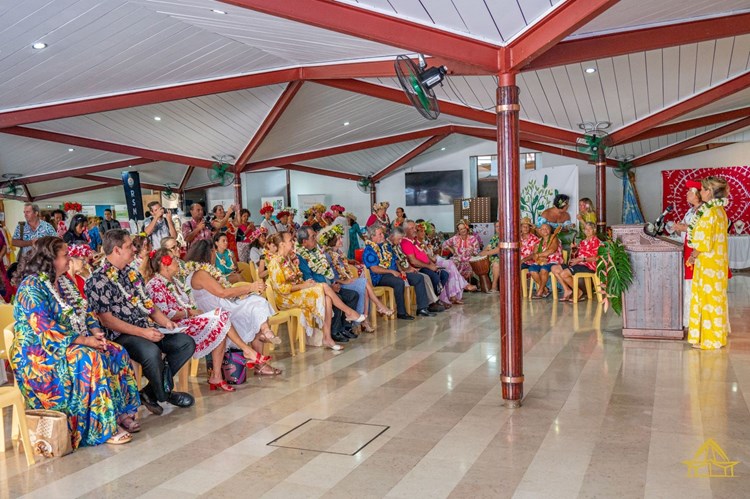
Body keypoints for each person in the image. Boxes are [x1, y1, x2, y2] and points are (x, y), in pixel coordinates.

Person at [11, 237, 139, 447]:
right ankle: (104, 428)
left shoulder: (62, 280)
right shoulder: (31, 286)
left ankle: (120, 413)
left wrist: (96, 333)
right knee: (90, 358)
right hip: (40, 355)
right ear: (49, 259)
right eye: (65, 255)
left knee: (115, 351)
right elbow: (45, 328)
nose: (70, 259)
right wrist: (86, 341)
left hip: (70, 343)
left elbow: (84, 310)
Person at [86, 229, 196, 415]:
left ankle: (149, 393)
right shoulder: (97, 280)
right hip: (121, 335)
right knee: (151, 352)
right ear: (116, 250)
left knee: (185, 343)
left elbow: (149, 306)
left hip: (146, 328)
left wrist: (166, 322)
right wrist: (143, 333)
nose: (134, 250)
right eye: (129, 246)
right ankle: (165, 394)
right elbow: (107, 321)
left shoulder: (132, 274)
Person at [144, 249, 274, 387]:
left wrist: (192, 312)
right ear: (164, 264)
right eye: (174, 259)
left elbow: (187, 303)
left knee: (221, 320)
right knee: (220, 317)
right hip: (174, 327)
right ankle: (246, 351)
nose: (178, 261)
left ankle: (217, 376)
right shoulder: (155, 284)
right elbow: (163, 314)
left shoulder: (176, 282)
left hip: (188, 321)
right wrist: (189, 313)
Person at [185, 240, 282, 374]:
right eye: (213, 252)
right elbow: (222, 293)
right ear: (209, 253)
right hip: (216, 312)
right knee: (255, 304)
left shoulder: (200, 272)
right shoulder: (200, 274)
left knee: (254, 306)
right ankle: (262, 343)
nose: (215, 255)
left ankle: (264, 334)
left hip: (221, 307)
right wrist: (250, 287)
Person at [267, 232, 365, 350]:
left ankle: (327, 338)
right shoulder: (275, 262)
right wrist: (304, 286)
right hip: (285, 298)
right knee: (323, 286)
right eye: (290, 241)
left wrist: (305, 284)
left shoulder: (291, 258)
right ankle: (350, 312)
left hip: (297, 293)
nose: (293, 242)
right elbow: (281, 289)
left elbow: (297, 279)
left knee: (327, 298)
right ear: (282, 244)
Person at [319, 225, 393, 332]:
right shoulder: (327, 255)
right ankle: (377, 307)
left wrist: (350, 263)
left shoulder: (339, 253)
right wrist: (345, 280)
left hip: (346, 280)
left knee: (364, 286)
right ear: (332, 241)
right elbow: (331, 275)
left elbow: (343, 265)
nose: (341, 240)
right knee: (364, 282)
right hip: (339, 283)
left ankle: (365, 319)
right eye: (339, 238)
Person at [296, 226, 363, 342]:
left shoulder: (317, 252)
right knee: (338, 298)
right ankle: (334, 331)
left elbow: (328, 271)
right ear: (304, 242)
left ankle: (345, 327)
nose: (315, 239)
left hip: (330, 286)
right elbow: (309, 280)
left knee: (353, 295)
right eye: (313, 237)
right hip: (318, 289)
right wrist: (330, 287)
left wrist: (334, 283)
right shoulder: (301, 257)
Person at [686, 176, 730, 350]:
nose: (701, 192)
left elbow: (703, 242)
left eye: (703, 189)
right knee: (715, 299)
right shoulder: (719, 211)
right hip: (717, 263)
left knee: (706, 300)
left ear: (710, 192)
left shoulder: (709, 212)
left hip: (708, 263)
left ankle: (709, 339)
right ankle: (716, 336)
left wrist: (692, 256)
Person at [363, 225, 434, 320]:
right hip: (380, 277)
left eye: (382, 234)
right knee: (398, 282)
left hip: (394, 273)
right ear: (372, 236)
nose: (383, 236)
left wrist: (401, 271)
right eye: (379, 234)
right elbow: (374, 269)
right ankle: (401, 312)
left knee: (418, 278)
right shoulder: (369, 250)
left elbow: (396, 260)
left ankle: (422, 309)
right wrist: (391, 271)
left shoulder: (386, 246)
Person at [673, 180, 704, 328]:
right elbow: (685, 230)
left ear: (697, 195)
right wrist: (678, 228)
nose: (686, 194)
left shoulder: (704, 210)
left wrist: (684, 228)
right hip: (687, 248)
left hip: (697, 250)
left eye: (690, 192)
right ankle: (689, 319)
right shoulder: (690, 211)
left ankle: (699, 320)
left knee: (696, 282)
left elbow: (699, 231)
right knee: (688, 282)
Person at [414, 221, 467, 304]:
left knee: (448, 270)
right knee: (450, 264)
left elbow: (435, 253)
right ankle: (460, 288)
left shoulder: (425, 242)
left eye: (424, 231)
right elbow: (431, 258)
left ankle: (453, 295)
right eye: (421, 231)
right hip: (430, 263)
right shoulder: (417, 244)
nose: (424, 233)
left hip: (434, 261)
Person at [401, 220, 450, 303]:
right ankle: (433, 302)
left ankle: (436, 298)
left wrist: (432, 264)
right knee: (434, 277)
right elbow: (413, 261)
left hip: (426, 265)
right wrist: (429, 266)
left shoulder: (415, 241)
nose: (415, 230)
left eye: (414, 228)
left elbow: (425, 255)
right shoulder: (405, 242)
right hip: (418, 268)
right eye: (412, 228)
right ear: (405, 230)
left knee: (444, 274)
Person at [551, 222, 600, 302]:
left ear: (594, 230)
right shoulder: (582, 242)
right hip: (578, 264)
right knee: (554, 268)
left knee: (564, 274)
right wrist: (573, 251)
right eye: (585, 229)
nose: (587, 231)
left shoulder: (596, 241)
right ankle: (567, 290)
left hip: (588, 266)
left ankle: (578, 292)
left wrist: (580, 260)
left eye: (589, 229)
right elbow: (575, 256)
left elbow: (596, 258)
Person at [528, 223, 563, 299]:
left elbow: (552, 250)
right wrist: (539, 258)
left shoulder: (554, 238)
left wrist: (539, 255)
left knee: (544, 269)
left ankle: (540, 291)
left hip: (554, 262)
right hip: (541, 262)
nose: (544, 230)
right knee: (532, 269)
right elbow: (534, 254)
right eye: (542, 229)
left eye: (547, 228)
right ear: (540, 231)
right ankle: (546, 289)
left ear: (550, 230)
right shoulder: (538, 241)